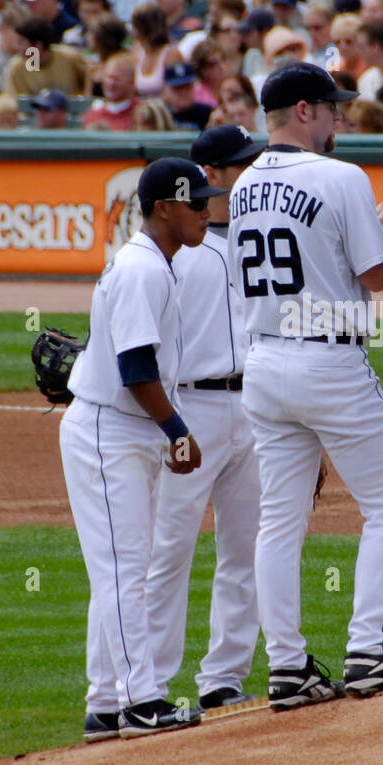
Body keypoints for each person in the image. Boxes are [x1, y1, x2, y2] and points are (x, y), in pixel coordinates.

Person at [227, 60, 383, 707]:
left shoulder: (241, 184)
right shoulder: (341, 176)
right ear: (305, 111)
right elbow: (375, 276)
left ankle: (287, 667)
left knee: (279, 521)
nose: (341, 116)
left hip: (263, 364)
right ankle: (369, 648)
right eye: (333, 106)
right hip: (327, 361)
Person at [60, 157, 227, 742]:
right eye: (196, 203)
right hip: (111, 432)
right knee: (127, 571)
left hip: (120, 430)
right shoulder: (143, 269)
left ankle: (106, 704)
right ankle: (141, 702)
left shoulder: (156, 264)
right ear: (164, 208)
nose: (208, 210)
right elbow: (135, 368)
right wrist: (178, 430)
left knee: (118, 569)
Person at [144, 125, 268, 712]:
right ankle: (149, 684)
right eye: (240, 165)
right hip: (190, 409)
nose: (253, 172)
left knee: (246, 549)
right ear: (209, 177)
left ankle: (224, 677)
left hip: (256, 408)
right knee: (170, 548)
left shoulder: (262, 240)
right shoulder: (171, 254)